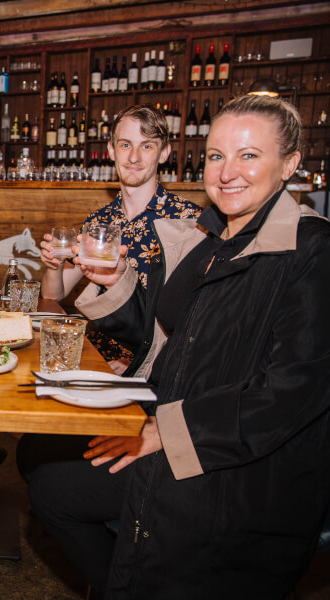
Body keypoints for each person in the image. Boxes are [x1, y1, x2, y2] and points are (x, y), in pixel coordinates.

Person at [30, 96, 330, 598]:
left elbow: (292, 391)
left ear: (291, 165)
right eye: (216, 156)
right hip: (174, 419)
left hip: (238, 466)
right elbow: (154, 326)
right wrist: (116, 278)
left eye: (249, 155)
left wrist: (165, 431)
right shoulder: (214, 241)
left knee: (54, 488)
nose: (228, 172)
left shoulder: (312, 251)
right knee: (47, 469)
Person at [39, 104, 201, 373]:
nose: (134, 156)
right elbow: (54, 293)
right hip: (94, 355)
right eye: (125, 145)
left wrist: (137, 366)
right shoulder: (99, 222)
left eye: (147, 146)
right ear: (111, 150)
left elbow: (194, 322)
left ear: (164, 153)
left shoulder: (187, 222)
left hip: (156, 365)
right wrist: (53, 264)